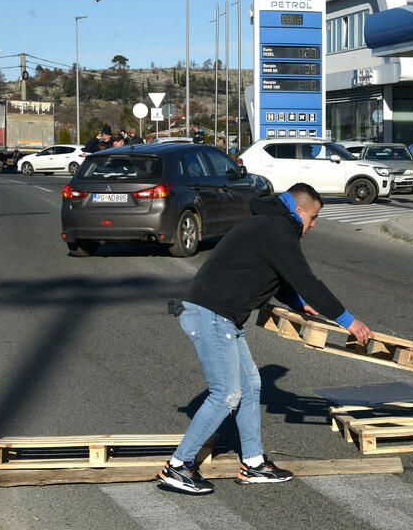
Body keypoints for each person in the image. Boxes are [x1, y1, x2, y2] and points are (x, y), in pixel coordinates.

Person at [157, 183, 374, 495]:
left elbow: (282, 281)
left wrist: (299, 304)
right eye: (313, 217)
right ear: (299, 210)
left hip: (224, 319)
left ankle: (253, 463)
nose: (314, 225)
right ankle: (177, 467)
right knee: (227, 394)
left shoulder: (271, 227)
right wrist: (348, 321)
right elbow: (305, 280)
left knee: (250, 386)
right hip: (211, 316)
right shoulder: (276, 229)